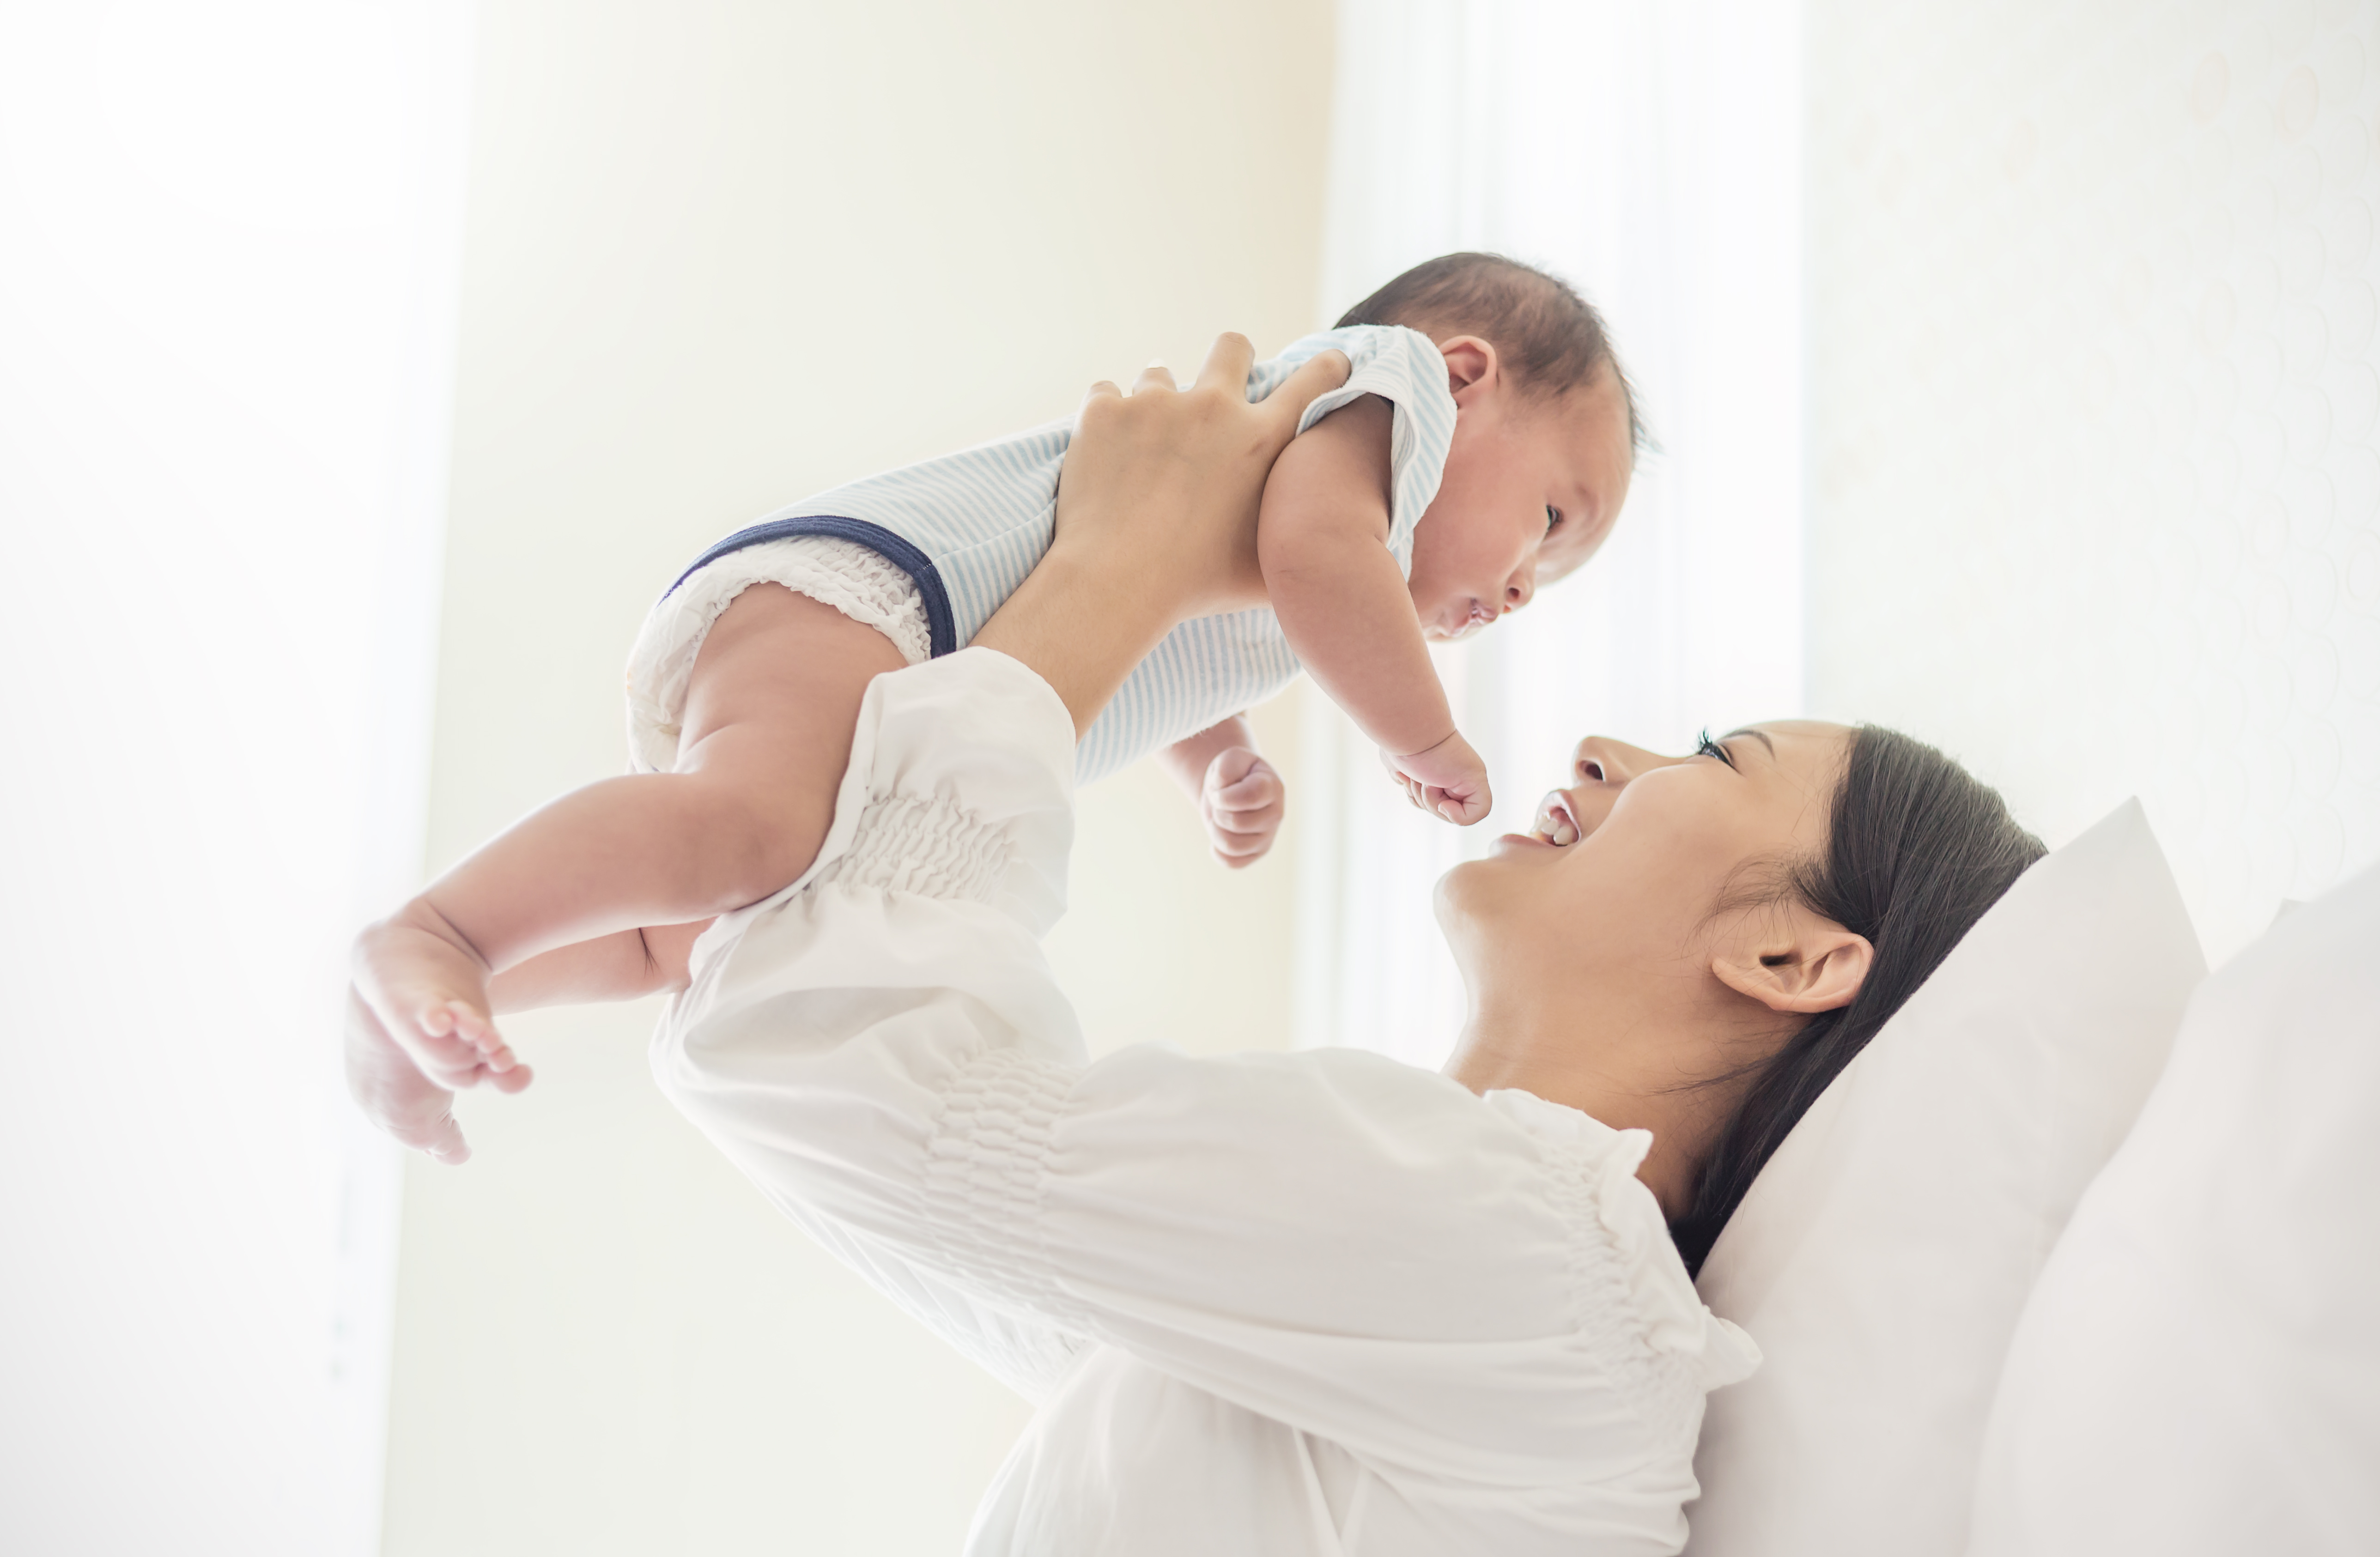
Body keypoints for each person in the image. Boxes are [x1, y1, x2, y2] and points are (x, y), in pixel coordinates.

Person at [348, 335, 2045, 1553]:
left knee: (740, 865)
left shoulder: (1536, 1261)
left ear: (1796, 957)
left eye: (1717, 763)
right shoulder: (1499, 1291)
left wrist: (1116, 568)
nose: (1607, 749)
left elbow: (855, 1086)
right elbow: (871, 1110)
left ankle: (461, 942)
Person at [350, 254, 1641, 1133]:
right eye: (1547, 520)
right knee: (749, 830)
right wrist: (1423, 732)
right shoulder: (1379, 394)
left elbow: (1152, 613)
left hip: (887, 680)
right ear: (1465, 374)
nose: (1527, 587)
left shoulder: (1320, 584)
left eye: (1557, 580)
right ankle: (443, 930)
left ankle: (440, 1011)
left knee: (691, 931)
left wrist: (1219, 759)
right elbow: (1307, 553)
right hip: (880, 598)